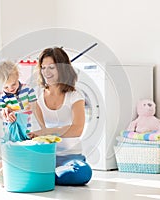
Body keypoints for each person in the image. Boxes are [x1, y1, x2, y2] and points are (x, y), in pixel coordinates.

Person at [28, 47, 92, 186]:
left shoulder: (74, 96)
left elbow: (77, 129)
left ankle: (41, 175)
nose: (46, 72)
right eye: (43, 67)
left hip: (70, 157)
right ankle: (45, 173)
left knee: (82, 172)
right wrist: (7, 112)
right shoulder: (37, 95)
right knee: (22, 159)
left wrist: (47, 132)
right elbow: (20, 109)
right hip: (46, 155)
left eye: (51, 67)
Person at [0, 60, 37, 186]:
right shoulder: (1, 96)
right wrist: (4, 115)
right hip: (11, 132)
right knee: (17, 155)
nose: (10, 89)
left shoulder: (28, 90)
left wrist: (20, 113)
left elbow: (34, 108)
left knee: (24, 155)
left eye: (13, 84)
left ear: (18, 76)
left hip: (27, 129)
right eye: (6, 87)